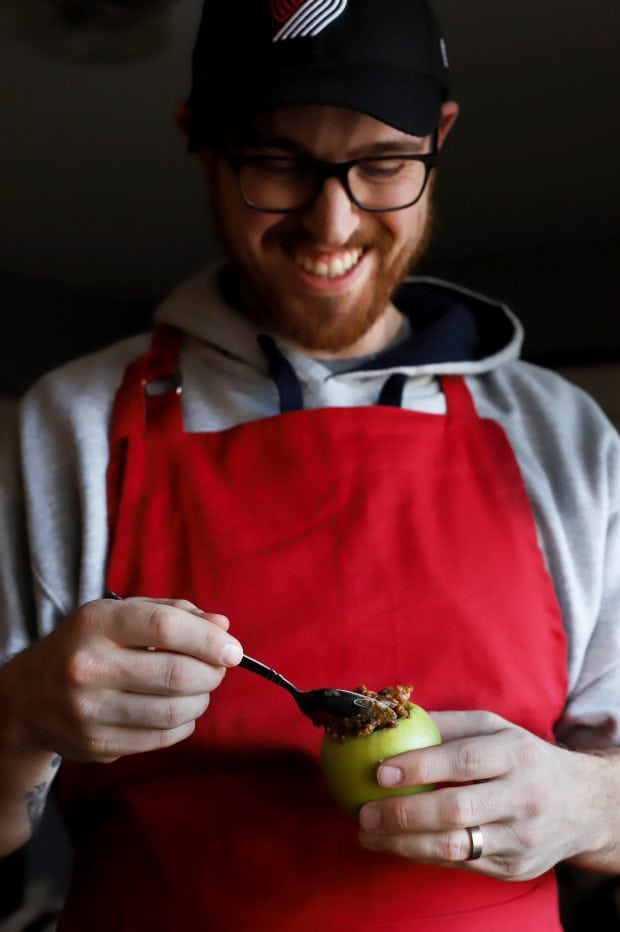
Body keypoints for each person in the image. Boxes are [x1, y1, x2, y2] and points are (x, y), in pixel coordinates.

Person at [0, 1, 618, 929]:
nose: (332, 226)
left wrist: (590, 806)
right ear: (202, 144)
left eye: (383, 165)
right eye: (278, 164)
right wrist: (17, 717)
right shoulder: (76, 423)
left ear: (438, 140)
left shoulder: (564, 435)